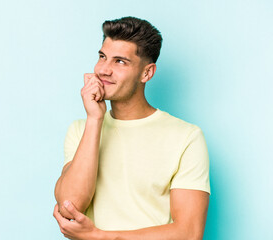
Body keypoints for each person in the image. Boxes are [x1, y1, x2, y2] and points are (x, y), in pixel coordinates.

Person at [53, 16, 210, 240]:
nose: (104, 70)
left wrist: (99, 236)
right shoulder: (82, 129)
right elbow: (70, 206)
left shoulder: (186, 137)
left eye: (120, 61)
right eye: (102, 57)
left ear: (147, 73)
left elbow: (189, 233)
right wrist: (95, 119)